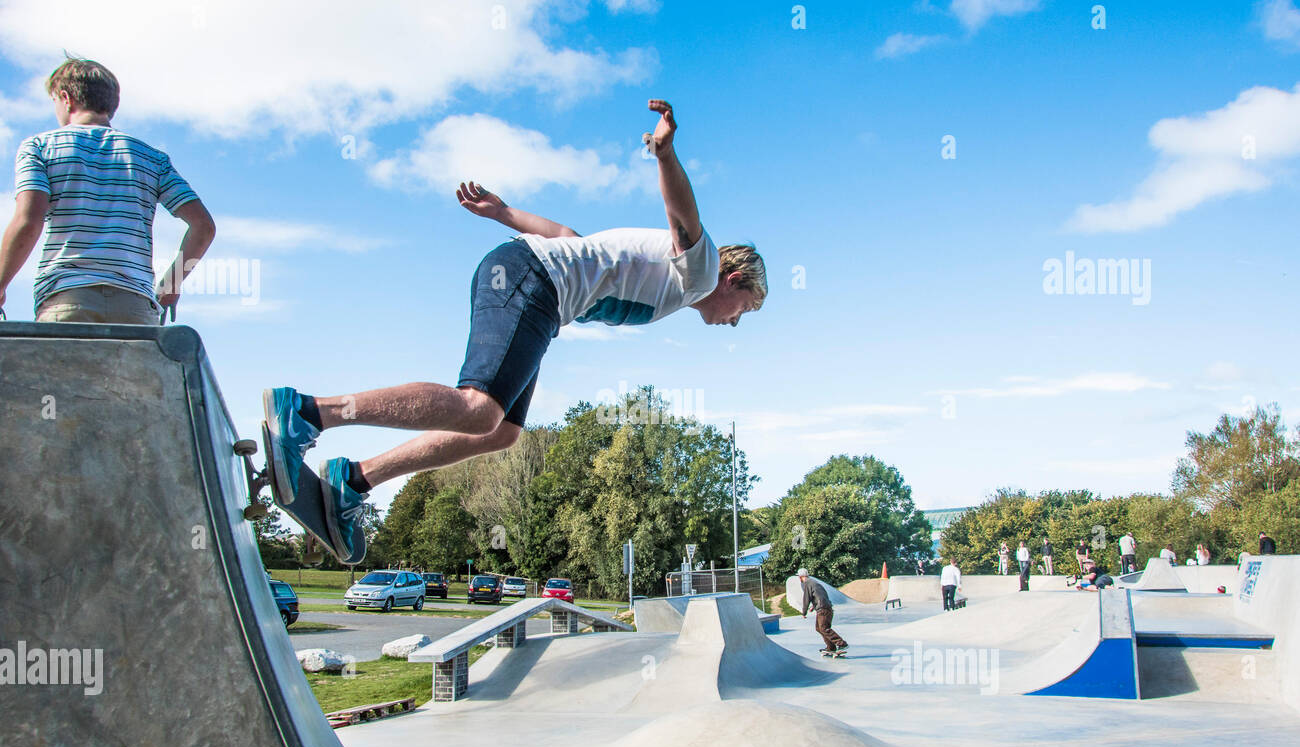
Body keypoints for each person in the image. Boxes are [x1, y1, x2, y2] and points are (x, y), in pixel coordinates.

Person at [261, 100, 767, 558]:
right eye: (743, 309)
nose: (732, 322)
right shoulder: (700, 273)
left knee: (500, 432)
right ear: (735, 279)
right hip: (533, 280)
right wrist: (664, 155)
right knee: (479, 408)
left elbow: (569, 237)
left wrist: (503, 212)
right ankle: (306, 414)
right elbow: (683, 216)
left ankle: (354, 481)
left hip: (535, 283)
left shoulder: (668, 275)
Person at [0, 58, 215, 324]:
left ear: (66, 98)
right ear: (111, 106)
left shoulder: (40, 147)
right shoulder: (152, 158)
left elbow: (28, 221)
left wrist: (1, 283)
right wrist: (171, 284)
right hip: (135, 307)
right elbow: (203, 226)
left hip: (67, 298)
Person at [797, 567, 847, 655]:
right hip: (826, 608)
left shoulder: (807, 583)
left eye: (799, 577)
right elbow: (820, 596)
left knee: (824, 628)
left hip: (823, 610)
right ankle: (831, 647)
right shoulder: (814, 583)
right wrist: (813, 606)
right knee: (819, 628)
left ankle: (841, 643)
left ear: (800, 577)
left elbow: (806, 598)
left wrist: (804, 612)